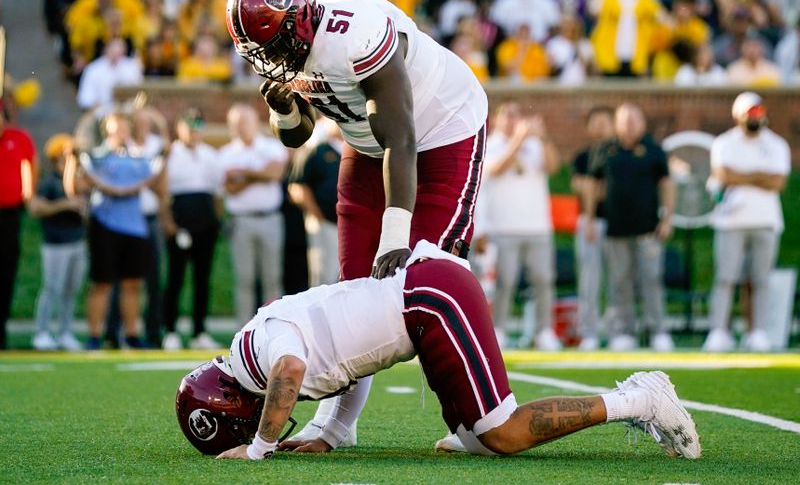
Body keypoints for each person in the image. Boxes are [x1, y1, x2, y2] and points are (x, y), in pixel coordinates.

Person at [226, 0, 487, 449]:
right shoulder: (284, 36)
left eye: (278, 45)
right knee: (352, 291)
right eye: (262, 52)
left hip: (440, 129)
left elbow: (402, 136)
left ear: (301, 19)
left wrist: (395, 233)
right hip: (369, 144)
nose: (273, 58)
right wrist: (282, 108)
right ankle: (335, 425)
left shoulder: (355, 31)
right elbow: (298, 136)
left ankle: (474, 420)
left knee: (426, 280)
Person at [175, 241, 702, 461]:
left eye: (240, 425)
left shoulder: (263, 349)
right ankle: (474, 429)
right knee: (476, 441)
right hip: (424, 298)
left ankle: (641, 399)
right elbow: (349, 363)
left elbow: (291, 369)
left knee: (502, 434)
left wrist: (259, 449)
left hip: (429, 300)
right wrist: (333, 431)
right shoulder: (254, 342)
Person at [585, 104, 676, 352]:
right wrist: (591, 219)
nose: (630, 124)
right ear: (617, 123)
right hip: (615, 230)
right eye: (625, 120)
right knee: (619, 282)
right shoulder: (605, 149)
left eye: (635, 119)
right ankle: (622, 333)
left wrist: (667, 218)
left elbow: (667, 185)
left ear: (643, 123)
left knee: (651, 281)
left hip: (648, 230)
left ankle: (658, 332)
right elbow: (593, 185)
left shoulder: (654, 151)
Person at [703, 92, 790, 352]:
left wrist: (740, 176)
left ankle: (758, 332)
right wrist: (759, 176)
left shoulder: (776, 144)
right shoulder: (724, 143)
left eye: (757, 111)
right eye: (749, 112)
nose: (754, 117)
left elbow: (778, 182)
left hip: (766, 221)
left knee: (760, 278)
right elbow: (723, 174)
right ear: (737, 115)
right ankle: (718, 331)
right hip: (730, 221)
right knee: (726, 278)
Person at [67, 110, 161, 349]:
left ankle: (131, 334)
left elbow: (157, 181)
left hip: (135, 227)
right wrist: (72, 160)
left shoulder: (140, 157)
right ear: (106, 129)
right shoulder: (96, 157)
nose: (120, 131)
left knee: (132, 284)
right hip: (104, 225)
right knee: (102, 283)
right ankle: (94, 335)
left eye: (123, 126)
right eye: (115, 126)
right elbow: (77, 187)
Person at [481, 102, 561, 351]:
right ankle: (499, 330)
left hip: (538, 227)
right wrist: (518, 140)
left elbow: (554, 167)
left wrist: (543, 137)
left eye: (517, 115)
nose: (513, 119)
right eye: (507, 115)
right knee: (505, 282)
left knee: (543, 280)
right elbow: (496, 169)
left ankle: (544, 331)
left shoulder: (535, 144)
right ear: (498, 120)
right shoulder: (491, 144)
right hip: (504, 228)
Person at [217, 103, 288, 326]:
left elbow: (274, 174)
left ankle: (274, 327)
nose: (241, 127)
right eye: (236, 123)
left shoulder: (271, 147)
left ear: (255, 123)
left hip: (270, 218)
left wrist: (243, 173)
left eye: (244, 122)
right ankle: (245, 330)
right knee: (244, 278)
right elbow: (230, 187)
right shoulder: (226, 153)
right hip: (242, 220)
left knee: (272, 277)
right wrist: (259, 174)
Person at [161, 111, 222, 350]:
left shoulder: (210, 155)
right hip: (180, 223)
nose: (193, 132)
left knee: (202, 279)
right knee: (175, 278)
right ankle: (170, 330)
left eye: (197, 127)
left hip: (205, 224)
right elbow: (163, 194)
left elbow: (217, 194)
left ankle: (199, 331)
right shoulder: (171, 154)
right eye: (188, 126)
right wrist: (169, 224)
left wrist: (217, 221)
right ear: (179, 128)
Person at [28, 134, 87, 351]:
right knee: (52, 288)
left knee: (71, 290)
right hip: (55, 243)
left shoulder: (78, 180)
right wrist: (65, 204)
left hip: (77, 241)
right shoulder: (49, 182)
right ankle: (42, 332)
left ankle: (64, 332)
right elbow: (37, 208)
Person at [571, 106, 615, 351]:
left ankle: (615, 331)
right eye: (595, 121)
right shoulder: (582, 156)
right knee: (589, 279)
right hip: (590, 223)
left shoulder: (620, 154)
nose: (600, 126)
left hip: (617, 223)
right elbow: (582, 185)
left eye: (605, 121)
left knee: (618, 280)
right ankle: (589, 331)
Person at [0, 102, 38, 350]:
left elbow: (31, 166)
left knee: (5, 272)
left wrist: (28, 193)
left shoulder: (19, 137)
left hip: (8, 215)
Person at [288, 119, 342, 287]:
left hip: (351, 224)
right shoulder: (316, 149)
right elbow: (297, 186)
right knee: (324, 276)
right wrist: (317, 214)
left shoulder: (353, 150)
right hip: (324, 222)